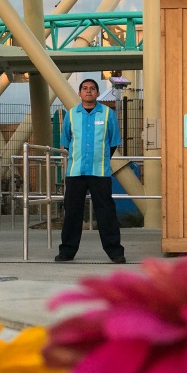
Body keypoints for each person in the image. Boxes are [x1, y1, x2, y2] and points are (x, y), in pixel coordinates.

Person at [55, 79, 126, 263]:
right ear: (79, 93)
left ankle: (115, 252)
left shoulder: (108, 114)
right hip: (75, 172)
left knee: (106, 212)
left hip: (100, 172)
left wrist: (100, 159)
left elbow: (113, 142)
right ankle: (67, 251)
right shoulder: (71, 115)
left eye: (92, 89)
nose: (88, 91)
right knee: (72, 212)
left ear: (97, 93)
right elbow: (67, 142)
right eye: (85, 89)